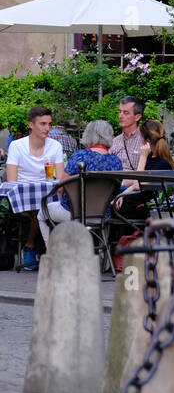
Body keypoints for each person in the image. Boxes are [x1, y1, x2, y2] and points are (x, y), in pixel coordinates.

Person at [38, 119, 122, 248]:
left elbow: (61, 187)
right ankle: (102, 256)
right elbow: (115, 192)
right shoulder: (116, 161)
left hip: (74, 213)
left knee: (42, 212)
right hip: (102, 215)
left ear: (87, 135)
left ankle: (53, 253)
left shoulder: (79, 156)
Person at [6, 106, 65, 270]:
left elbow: (59, 178)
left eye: (49, 124)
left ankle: (30, 245)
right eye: (43, 124)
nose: (47, 128)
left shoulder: (55, 146)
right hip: (22, 198)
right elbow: (11, 180)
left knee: (42, 208)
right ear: (31, 125)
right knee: (41, 209)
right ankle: (36, 247)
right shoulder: (17, 146)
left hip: (46, 196)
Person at [113, 120, 174, 223]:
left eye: (140, 136)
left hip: (148, 207)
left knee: (114, 207)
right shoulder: (153, 158)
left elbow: (137, 184)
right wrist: (122, 195)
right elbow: (136, 185)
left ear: (146, 140)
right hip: (143, 203)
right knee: (113, 202)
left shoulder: (161, 163)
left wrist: (142, 156)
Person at [111, 96, 144, 171]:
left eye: (126, 113)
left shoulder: (145, 141)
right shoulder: (114, 141)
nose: (120, 116)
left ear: (137, 117)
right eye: (120, 112)